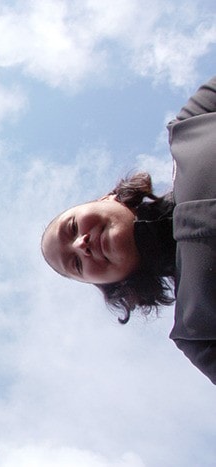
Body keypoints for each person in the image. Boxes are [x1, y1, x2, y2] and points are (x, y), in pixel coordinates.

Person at [40, 76, 216, 385]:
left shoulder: (191, 127)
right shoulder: (198, 334)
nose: (81, 244)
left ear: (106, 198)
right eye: (77, 264)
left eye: (72, 228)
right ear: (109, 285)